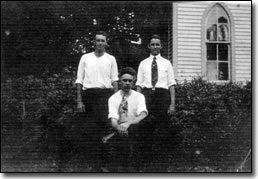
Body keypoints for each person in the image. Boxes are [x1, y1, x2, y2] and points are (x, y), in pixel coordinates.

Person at [75, 31, 119, 171]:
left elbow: (114, 82)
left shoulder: (111, 59)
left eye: (102, 41)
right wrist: (79, 101)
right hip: (89, 96)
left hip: (105, 96)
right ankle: (92, 165)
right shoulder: (85, 58)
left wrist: (116, 101)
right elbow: (79, 81)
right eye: (98, 40)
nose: (100, 43)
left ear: (106, 43)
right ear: (94, 42)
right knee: (89, 131)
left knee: (104, 129)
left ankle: (104, 165)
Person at [136, 34, 176, 170]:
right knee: (145, 130)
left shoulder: (167, 63)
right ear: (148, 46)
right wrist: (138, 104)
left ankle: (161, 165)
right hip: (147, 96)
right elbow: (139, 85)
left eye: (157, 44)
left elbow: (171, 84)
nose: (155, 47)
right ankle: (146, 164)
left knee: (162, 130)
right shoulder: (143, 63)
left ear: (161, 46)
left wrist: (172, 104)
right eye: (152, 44)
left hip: (162, 96)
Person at [107, 67, 148, 172]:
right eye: (124, 80)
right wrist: (119, 127)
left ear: (133, 83)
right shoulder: (113, 98)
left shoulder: (139, 96)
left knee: (134, 153)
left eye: (130, 81)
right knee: (119, 156)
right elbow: (113, 118)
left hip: (135, 127)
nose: (127, 83)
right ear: (120, 82)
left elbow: (143, 114)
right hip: (119, 129)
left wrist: (128, 124)